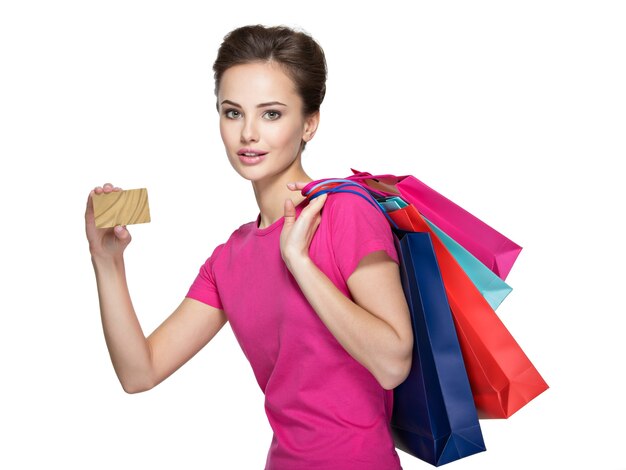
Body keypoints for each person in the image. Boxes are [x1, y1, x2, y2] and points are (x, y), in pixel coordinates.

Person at [85, 24, 413, 469]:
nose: (248, 134)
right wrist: (107, 262)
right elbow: (139, 372)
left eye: (272, 114)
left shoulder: (344, 214)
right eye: (233, 112)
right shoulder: (229, 259)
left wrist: (298, 260)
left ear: (309, 123)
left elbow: (393, 363)